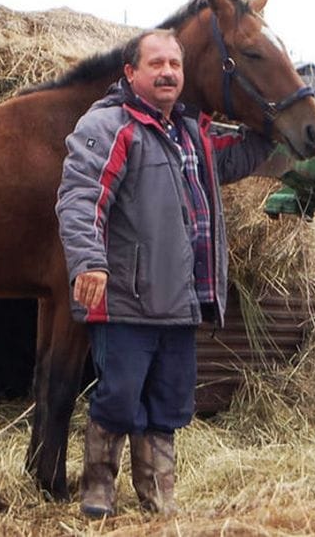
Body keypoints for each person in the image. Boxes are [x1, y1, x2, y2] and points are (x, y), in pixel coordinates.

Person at [55, 28, 275, 518]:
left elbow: (236, 159)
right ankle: (98, 492)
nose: (167, 73)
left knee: (171, 403)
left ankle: (158, 497)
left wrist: (275, 127)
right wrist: (88, 261)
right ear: (131, 73)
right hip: (129, 300)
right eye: (156, 64)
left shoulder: (192, 131)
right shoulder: (112, 125)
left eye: (174, 65)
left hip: (181, 299)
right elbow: (80, 195)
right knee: (117, 398)